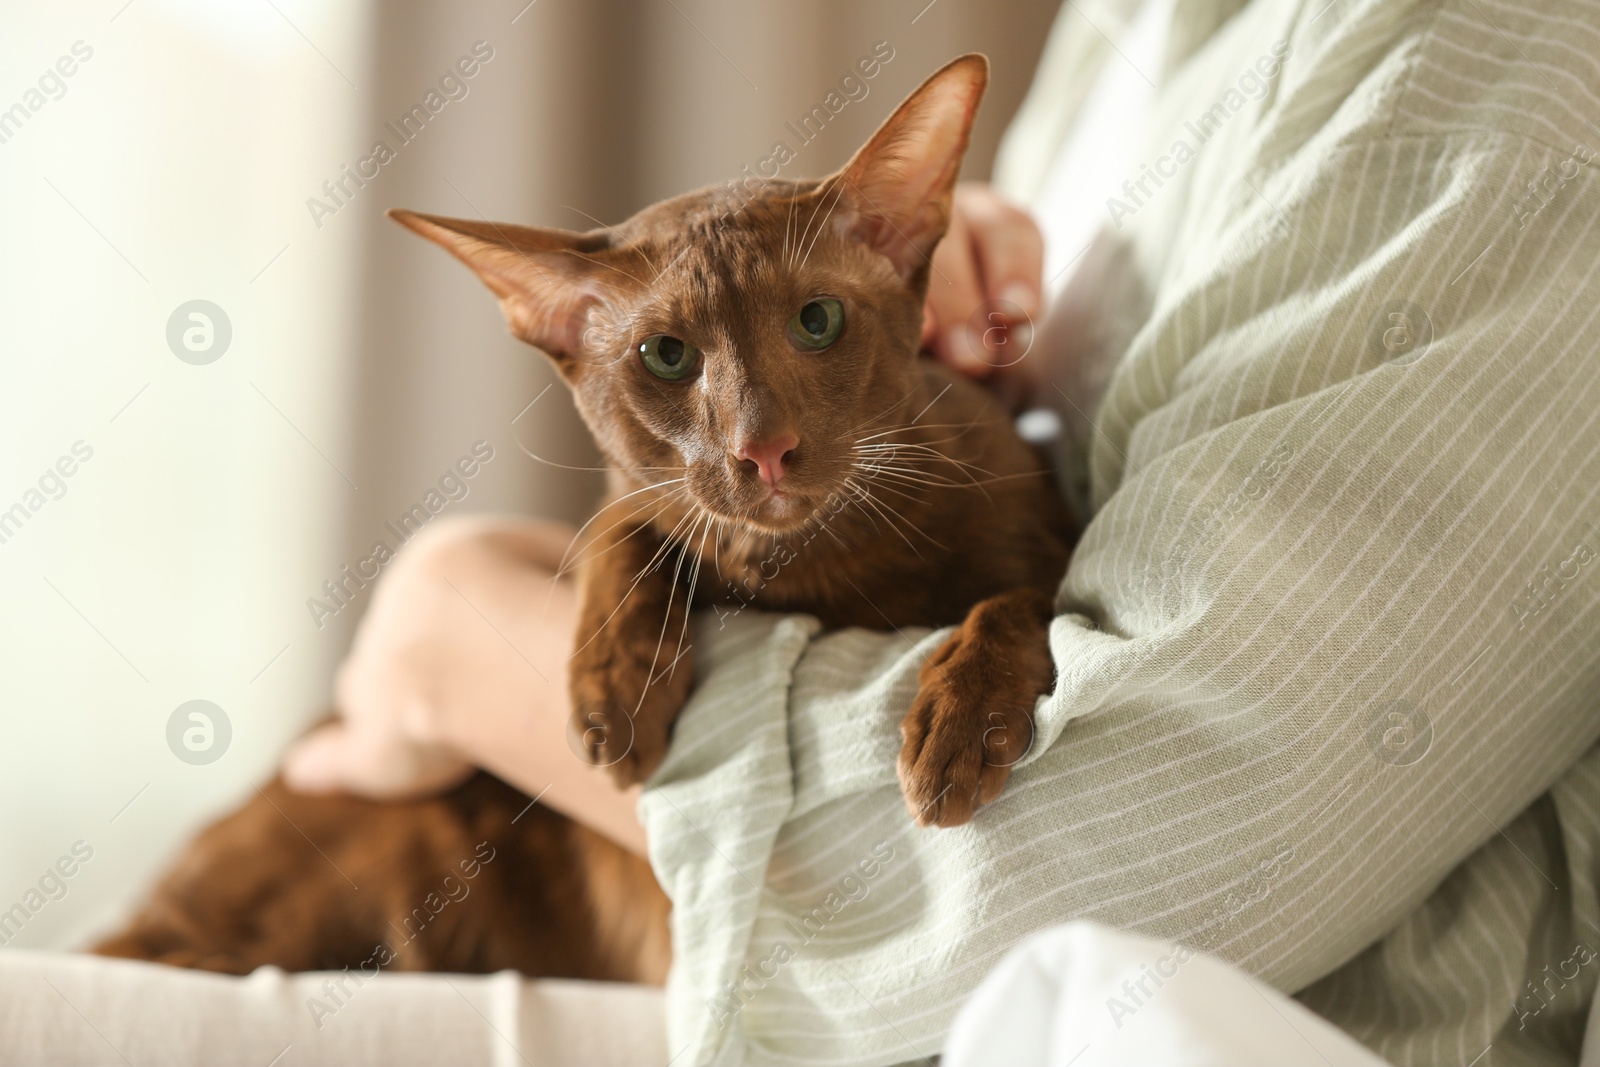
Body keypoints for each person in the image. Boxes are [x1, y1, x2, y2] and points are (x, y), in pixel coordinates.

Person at [8, 0, 1600, 1064]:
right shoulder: (1146, 28)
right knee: (121, 968)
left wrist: (451, 630)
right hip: (577, 905)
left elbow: (1101, 871)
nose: (752, 437)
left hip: (857, 983)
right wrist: (890, 306)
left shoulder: (1485, 74)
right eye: (670, 367)